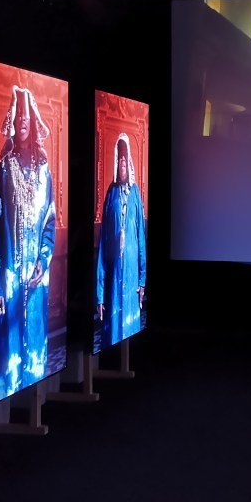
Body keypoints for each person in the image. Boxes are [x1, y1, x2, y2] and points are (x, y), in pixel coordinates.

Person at [0, 86, 56, 405]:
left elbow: (50, 221)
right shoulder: (3, 168)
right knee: (10, 347)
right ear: (13, 120)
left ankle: (36, 404)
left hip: (37, 279)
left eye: (28, 115)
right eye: (19, 115)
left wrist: (44, 258)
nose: (23, 120)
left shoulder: (44, 170)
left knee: (35, 342)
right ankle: (8, 407)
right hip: (11, 278)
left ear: (34, 120)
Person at [95, 134, 147, 350]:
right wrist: (99, 294)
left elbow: (141, 238)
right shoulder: (111, 194)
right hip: (114, 278)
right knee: (114, 334)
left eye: (126, 157)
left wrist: (142, 280)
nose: (122, 161)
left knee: (131, 334)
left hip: (132, 276)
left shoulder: (135, 193)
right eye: (120, 157)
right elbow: (103, 245)